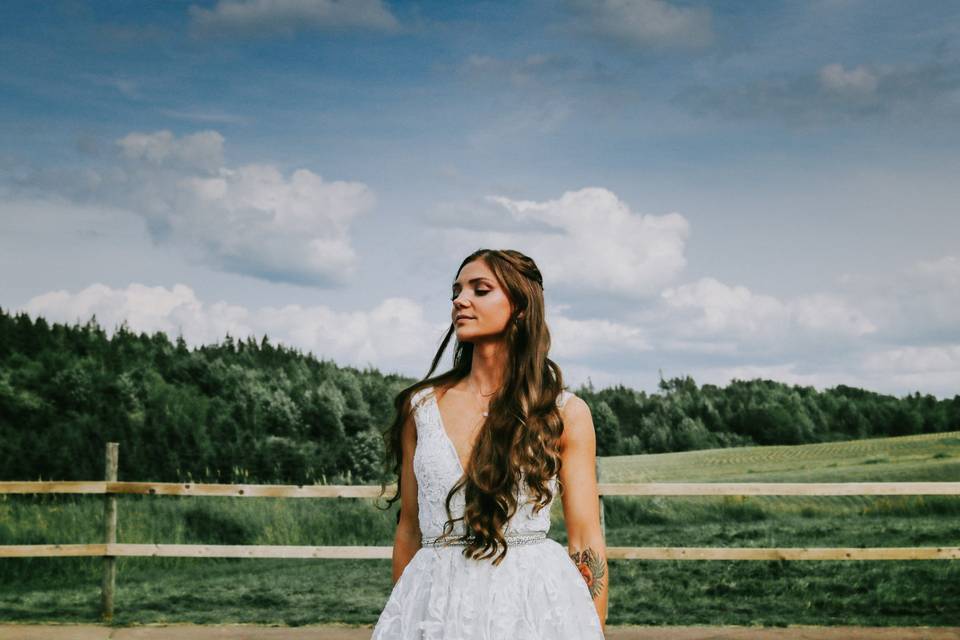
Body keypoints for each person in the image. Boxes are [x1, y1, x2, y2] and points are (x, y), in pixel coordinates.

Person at [371, 249, 608, 639]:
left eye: (480, 290)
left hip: (531, 609)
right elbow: (409, 530)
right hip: (436, 607)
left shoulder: (563, 412)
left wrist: (591, 626)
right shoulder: (422, 408)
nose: (460, 300)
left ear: (518, 306)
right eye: (456, 291)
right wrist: (406, 615)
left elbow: (585, 539)